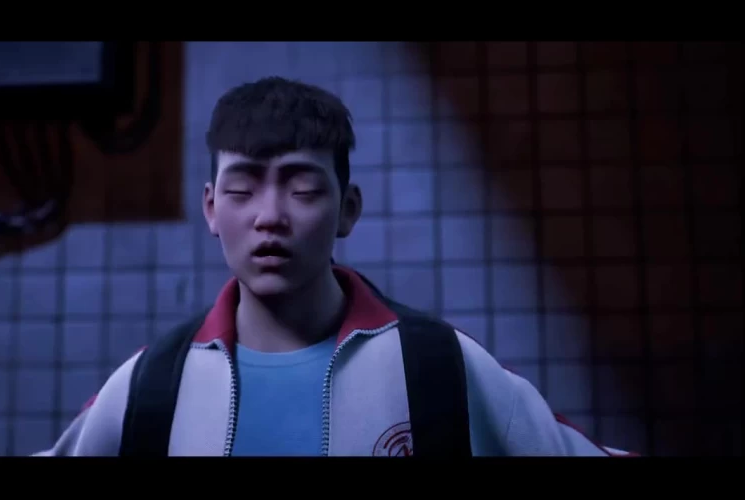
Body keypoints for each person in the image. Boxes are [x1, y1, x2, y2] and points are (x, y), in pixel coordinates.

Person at [35, 77, 634, 457]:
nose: (270, 217)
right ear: (212, 208)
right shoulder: (151, 384)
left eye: (302, 189)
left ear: (347, 210)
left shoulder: (437, 363)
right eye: (242, 189)